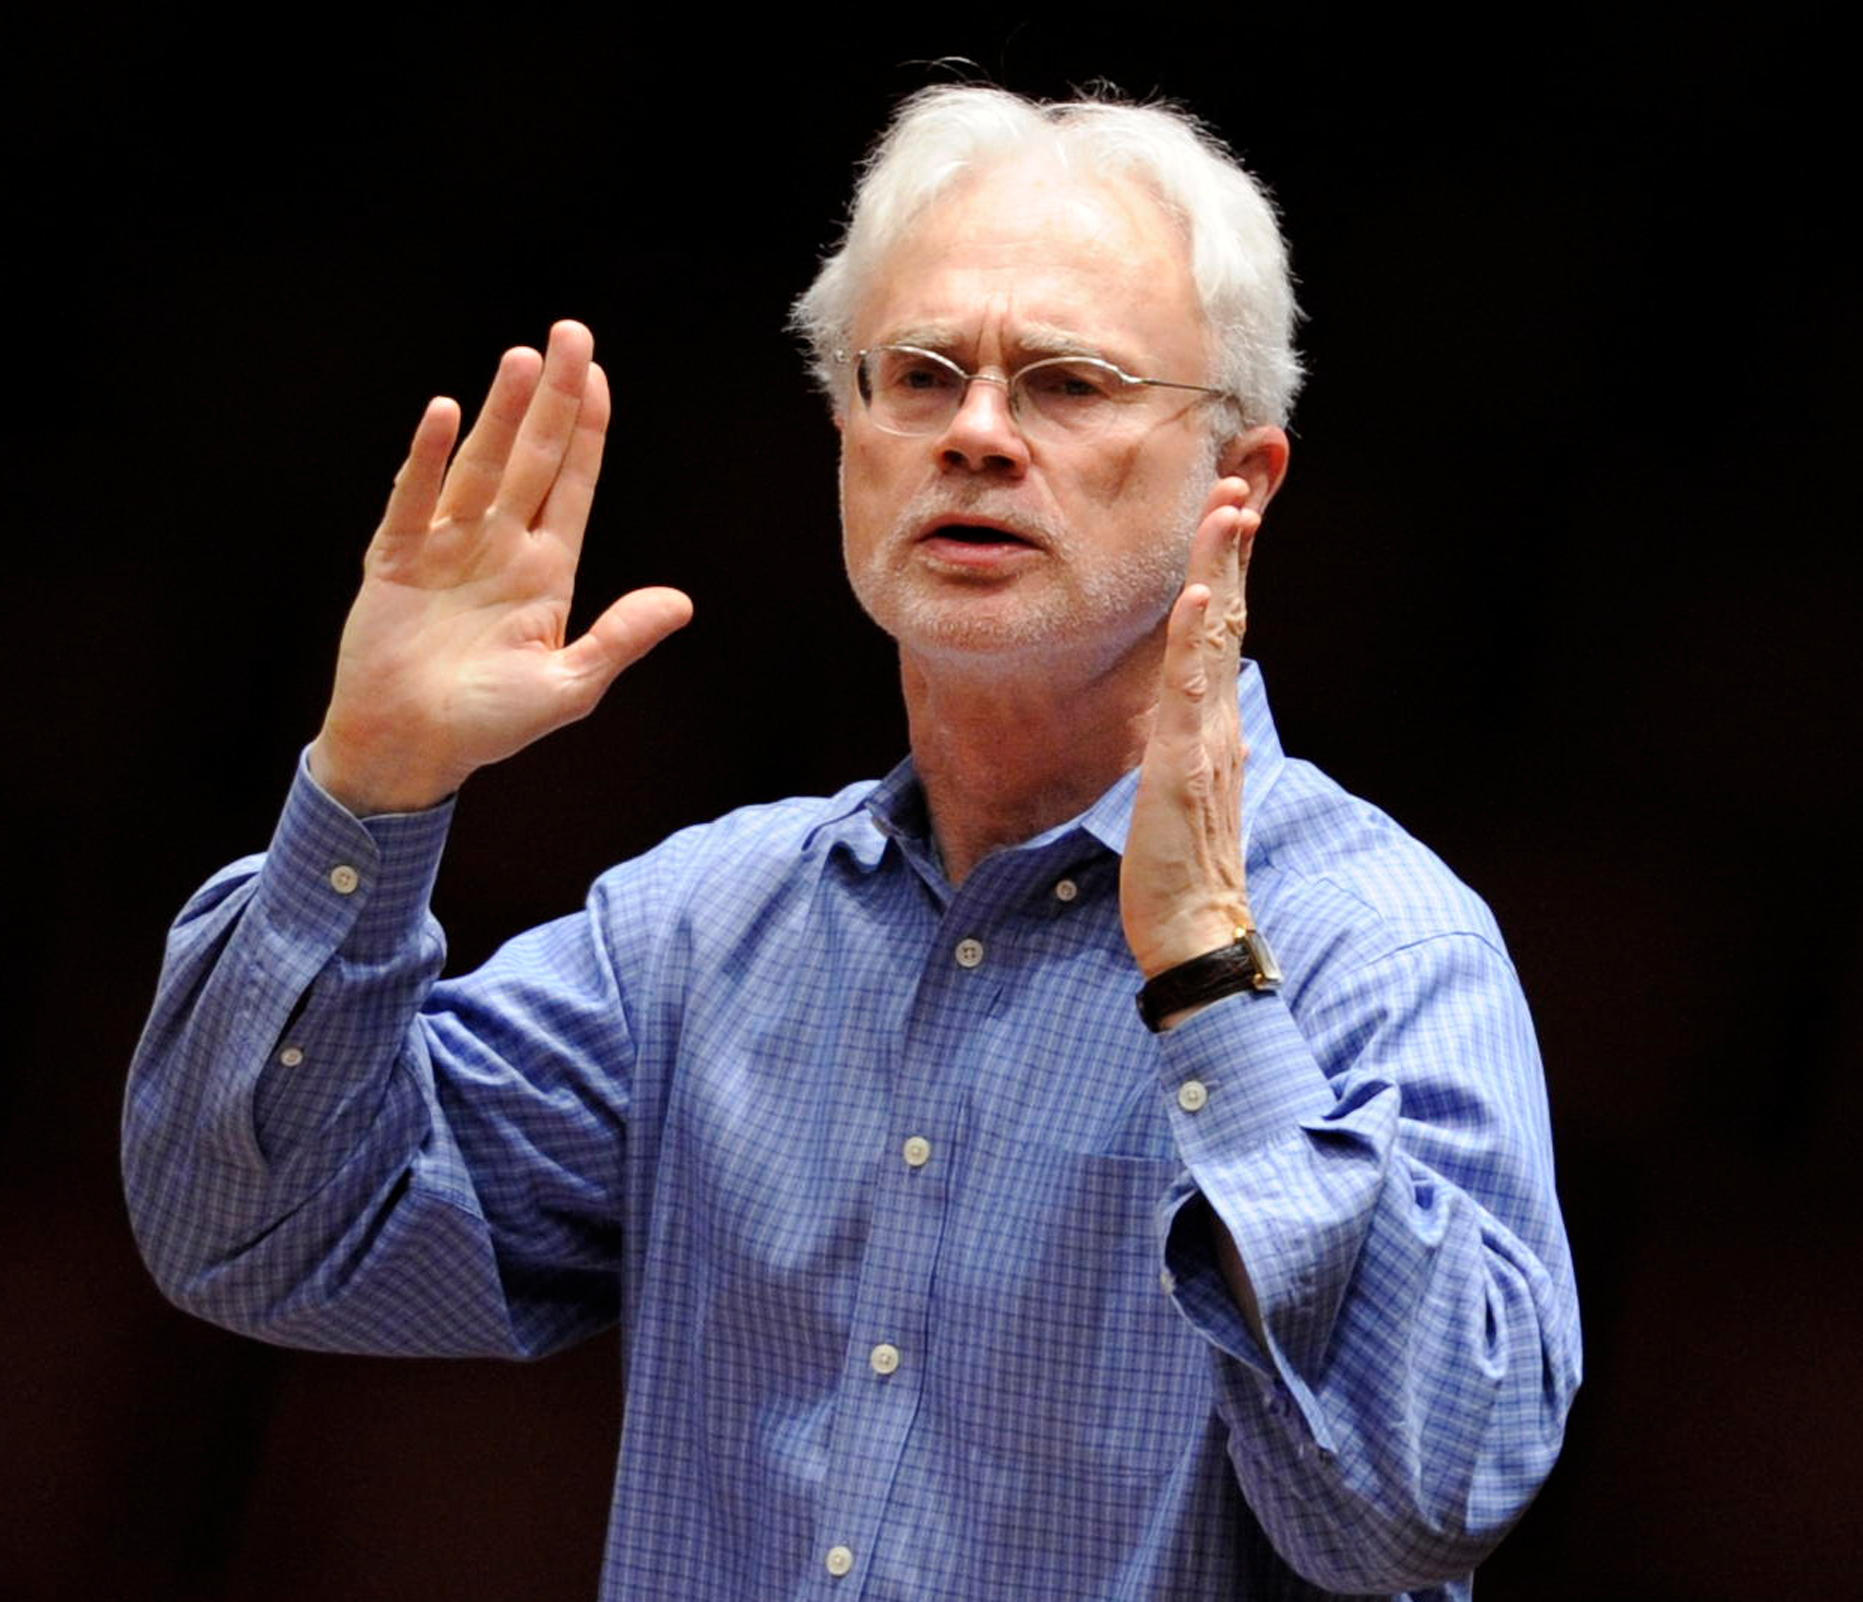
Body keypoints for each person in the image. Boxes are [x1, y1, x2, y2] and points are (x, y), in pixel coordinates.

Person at [124, 85, 1580, 1600]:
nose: (977, 433)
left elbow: (1426, 1503)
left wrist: (1214, 983)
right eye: (922, 376)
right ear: (846, 436)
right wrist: (369, 788)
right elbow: (256, 1237)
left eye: (1069, 384)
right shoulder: (706, 928)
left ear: (1242, 479)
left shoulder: (1380, 946)